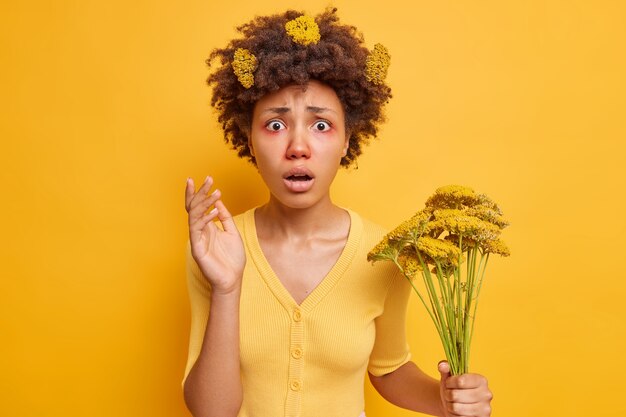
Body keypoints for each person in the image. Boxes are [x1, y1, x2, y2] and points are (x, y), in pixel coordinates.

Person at [182, 8, 493, 417]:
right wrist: (227, 289)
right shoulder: (215, 249)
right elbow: (211, 412)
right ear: (248, 138)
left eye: (321, 125)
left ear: (348, 138)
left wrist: (447, 398)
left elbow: (390, 369)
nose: (297, 146)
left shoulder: (388, 255)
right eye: (275, 125)